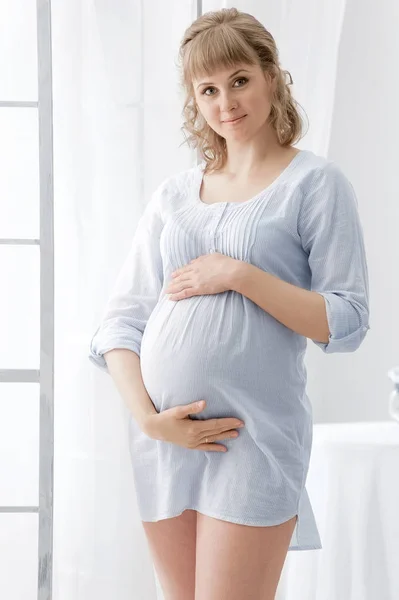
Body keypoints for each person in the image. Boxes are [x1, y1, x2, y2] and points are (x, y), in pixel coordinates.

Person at [89, 7, 370, 600]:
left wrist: (240, 274)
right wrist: (148, 420)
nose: (226, 103)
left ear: (271, 75)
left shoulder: (315, 184)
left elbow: (345, 320)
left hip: (251, 440)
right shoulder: (173, 196)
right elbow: (119, 323)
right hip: (164, 441)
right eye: (208, 89)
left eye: (239, 79)